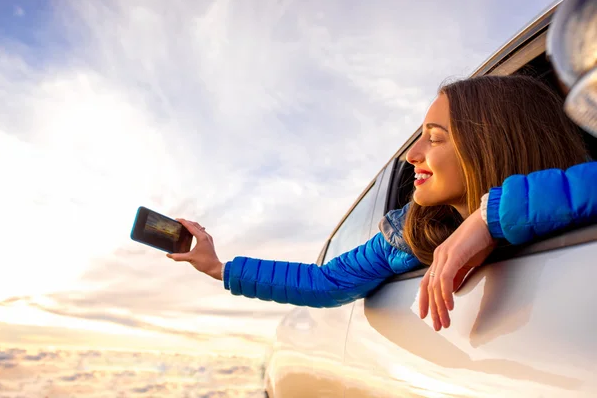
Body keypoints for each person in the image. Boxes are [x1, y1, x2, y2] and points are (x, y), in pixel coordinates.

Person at [167, 75, 597, 332]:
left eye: (435, 138)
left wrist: (492, 216)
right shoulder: (409, 236)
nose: (412, 156)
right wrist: (218, 267)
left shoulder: (575, 205)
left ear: (495, 144)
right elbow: (326, 283)